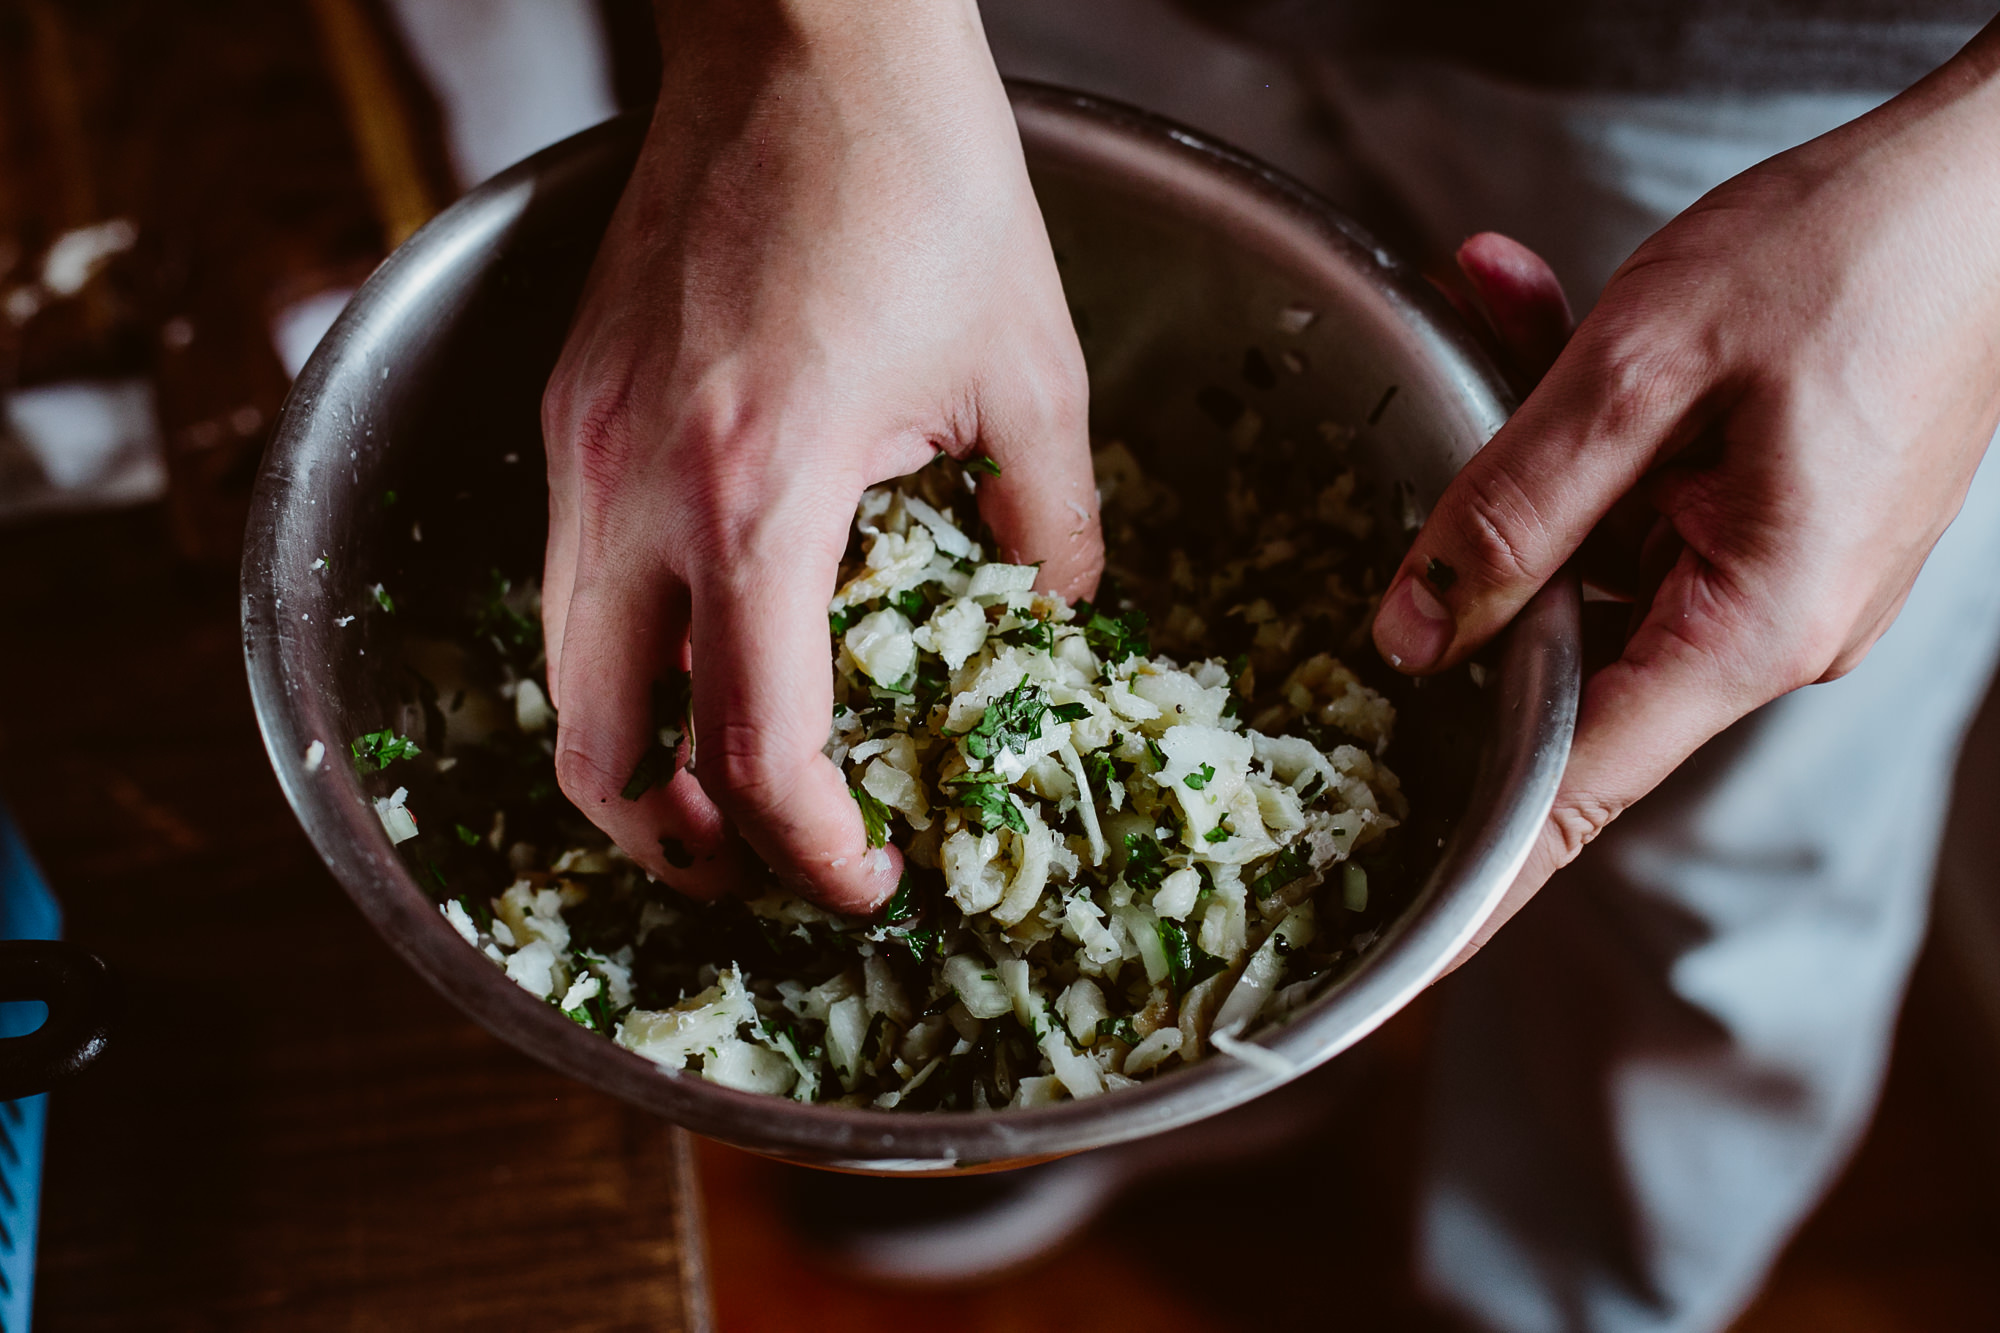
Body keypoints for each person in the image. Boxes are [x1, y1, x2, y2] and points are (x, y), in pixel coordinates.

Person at [537, 4, 2000, 1330]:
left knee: (1724, 855)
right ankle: (1191, 1101)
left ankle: (1576, 1291)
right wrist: (806, 45)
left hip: (1835, 104)